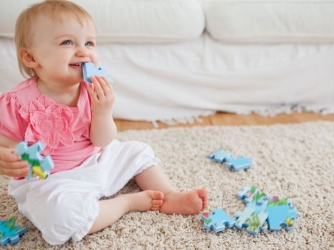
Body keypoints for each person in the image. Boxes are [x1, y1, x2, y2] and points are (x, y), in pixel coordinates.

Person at [0, 0, 208, 245]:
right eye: (68, 42)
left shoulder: (91, 89)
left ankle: (169, 195)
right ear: (31, 56)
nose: (83, 51)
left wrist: (103, 112)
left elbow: (103, 140)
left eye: (89, 42)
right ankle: (125, 203)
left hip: (97, 160)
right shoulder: (18, 102)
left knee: (137, 151)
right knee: (61, 218)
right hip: (52, 181)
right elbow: (6, 142)